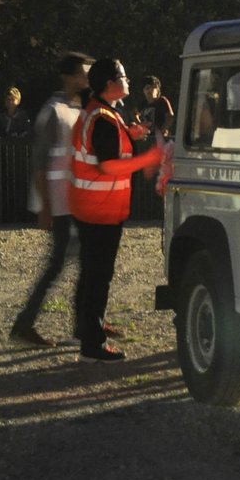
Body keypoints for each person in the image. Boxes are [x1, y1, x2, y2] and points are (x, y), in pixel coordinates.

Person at [67, 57, 162, 361]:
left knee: (91, 271)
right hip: (101, 208)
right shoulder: (104, 117)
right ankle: (92, 344)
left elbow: (105, 147)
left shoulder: (102, 112)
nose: (128, 80)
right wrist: (149, 159)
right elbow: (108, 166)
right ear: (110, 84)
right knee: (99, 274)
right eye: (123, 76)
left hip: (90, 205)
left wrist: (131, 135)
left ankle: (87, 328)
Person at [11, 53, 90, 347]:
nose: (87, 78)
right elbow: (40, 163)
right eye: (83, 73)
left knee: (78, 261)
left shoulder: (75, 108)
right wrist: (44, 207)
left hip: (71, 200)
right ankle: (27, 325)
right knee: (59, 264)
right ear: (70, 77)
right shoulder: (54, 111)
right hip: (59, 204)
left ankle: (81, 326)